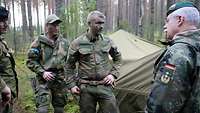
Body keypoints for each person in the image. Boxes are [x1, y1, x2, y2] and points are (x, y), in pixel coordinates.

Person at [145, 1, 200, 113]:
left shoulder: (178, 53)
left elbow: (161, 106)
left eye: (168, 21)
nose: (165, 26)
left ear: (180, 20)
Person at [65, 10, 122, 113]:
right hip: (86, 88)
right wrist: (72, 85)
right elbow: (69, 65)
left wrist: (113, 75)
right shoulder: (77, 43)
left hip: (104, 85)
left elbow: (118, 58)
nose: (101, 26)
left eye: (102, 23)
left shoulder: (107, 41)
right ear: (89, 24)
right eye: (98, 23)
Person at [26, 14, 69, 113]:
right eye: (53, 25)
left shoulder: (64, 43)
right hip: (43, 80)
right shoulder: (38, 43)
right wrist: (42, 72)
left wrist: (70, 80)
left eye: (57, 25)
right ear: (46, 26)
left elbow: (69, 63)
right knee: (42, 109)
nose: (56, 27)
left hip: (59, 80)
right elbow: (30, 61)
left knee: (59, 108)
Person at [0, 6, 18, 113]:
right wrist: (3, 87)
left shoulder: (2, 42)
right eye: (1, 21)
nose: (6, 24)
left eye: (6, 20)